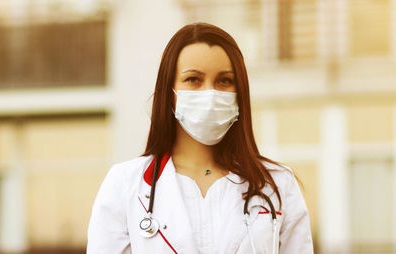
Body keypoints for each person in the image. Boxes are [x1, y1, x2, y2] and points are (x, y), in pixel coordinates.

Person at [86, 22, 314, 253]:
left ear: (240, 93)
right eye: (193, 79)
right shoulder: (125, 184)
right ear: (169, 93)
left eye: (224, 81)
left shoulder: (277, 184)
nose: (210, 93)